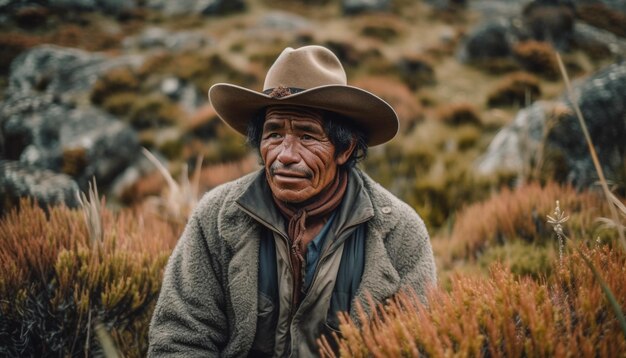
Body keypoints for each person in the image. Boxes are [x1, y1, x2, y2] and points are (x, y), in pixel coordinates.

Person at [148, 45, 436, 357]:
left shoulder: (399, 232)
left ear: (345, 149)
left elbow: (411, 347)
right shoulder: (216, 217)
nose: (285, 155)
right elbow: (179, 340)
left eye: (307, 137)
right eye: (273, 135)